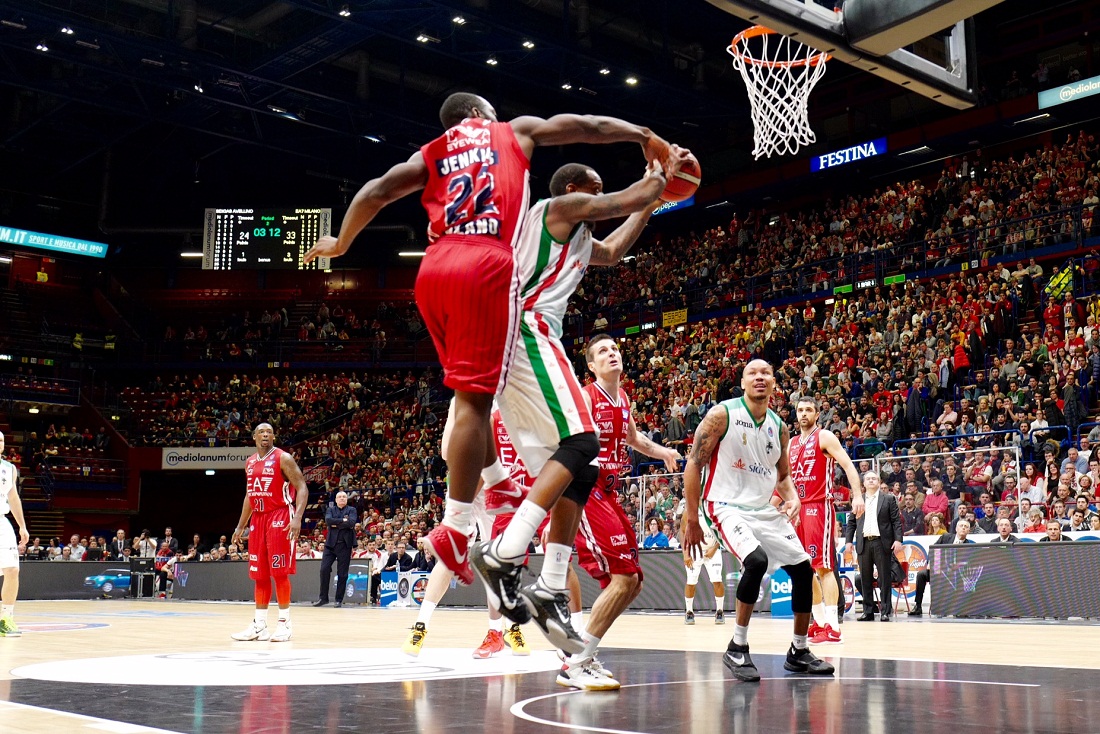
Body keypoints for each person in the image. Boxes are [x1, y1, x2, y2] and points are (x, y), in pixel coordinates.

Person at [304, 93, 672, 604]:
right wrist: (653, 160)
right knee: (536, 427)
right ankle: (471, 530)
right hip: (504, 296)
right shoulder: (530, 161)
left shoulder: (433, 152)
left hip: (437, 272)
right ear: (480, 114)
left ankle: (533, 563)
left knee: (550, 448)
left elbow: (377, 189)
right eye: (490, 111)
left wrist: (341, 243)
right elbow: (588, 128)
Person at [470, 154, 688, 654]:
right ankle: (503, 553)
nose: (600, 190)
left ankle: (548, 585)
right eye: (595, 184)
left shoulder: (580, 238)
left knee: (578, 466)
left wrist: (650, 207)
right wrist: (661, 174)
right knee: (584, 440)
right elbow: (620, 199)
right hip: (526, 330)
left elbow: (611, 251)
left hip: (514, 343)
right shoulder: (558, 207)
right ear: (575, 188)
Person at [682, 359, 834, 682]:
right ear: (743, 381)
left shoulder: (779, 427)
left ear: (774, 382)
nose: (760, 377)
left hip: (763, 509)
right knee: (756, 561)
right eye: (753, 373)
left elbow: (783, 478)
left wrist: (792, 497)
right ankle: (737, 646)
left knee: (804, 569)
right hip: (724, 505)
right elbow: (693, 463)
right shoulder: (722, 415)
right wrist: (690, 515)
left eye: (766, 372)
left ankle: (799, 650)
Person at [554, 333, 681, 690]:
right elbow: (558, 434)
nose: (611, 354)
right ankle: (575, 663)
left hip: (609, 493)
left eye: (614, 349)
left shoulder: (622, 397)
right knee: (624, 578)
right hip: (585, 490)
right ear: (591, 366)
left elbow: (634, 440)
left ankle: (582, 655)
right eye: (602, 352)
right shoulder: (584, 395)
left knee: (634, 582)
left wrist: (663, 453)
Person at [403, 402, 529, 660]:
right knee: (449, 557)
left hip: (498, 484)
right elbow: (447, 451)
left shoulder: (512, 396)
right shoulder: (462, 398)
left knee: (500, 559)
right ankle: (420, 626)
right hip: (468, 481)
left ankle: (505, 629)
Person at [788, 397, 864, 645]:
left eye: (808, 410)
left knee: (824, 567)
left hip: (819, 506)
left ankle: (833, 626)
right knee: (803, 570)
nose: (803, 414)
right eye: (800, 410)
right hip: (797, 511)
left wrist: (858, 495)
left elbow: (848, 465)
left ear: (817, 414)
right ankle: (819, 622)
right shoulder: (790, 443)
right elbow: (784, 483)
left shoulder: (825, 437)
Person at [230, 423, 308, 642]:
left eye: (270, 432)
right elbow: (249, 495)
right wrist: (240, 526)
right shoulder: (250, 462)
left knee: (279, 572)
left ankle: (285, 623)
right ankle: (259, 625)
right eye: (261, 432)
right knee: (259, 573)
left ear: (274, 436)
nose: (266, 435)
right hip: (258, 519)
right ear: (254, 436)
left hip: (279, 515)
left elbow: (302, 487)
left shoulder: (284, 458)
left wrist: (297, 517)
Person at [844, 472, 903, 622]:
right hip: (863, 543)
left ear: (879, 482)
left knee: (884, 578)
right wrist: (848, 541)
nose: (871, 480)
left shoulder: (888, 499)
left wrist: (898, 540)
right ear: (863, 483)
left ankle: (885, 611)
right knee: (864, 579)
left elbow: (896, 521)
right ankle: (868, 611)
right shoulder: (858, 500)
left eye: (874, 478)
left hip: (882, 543)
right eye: (868, 479)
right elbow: (851, 523)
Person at [910, 519, 975, 617]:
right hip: (939, 571)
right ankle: (918, 605)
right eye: (961, 526)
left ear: (968, 531)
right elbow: (933, 549)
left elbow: (968, 563)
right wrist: (931, 562)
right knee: (921, 575)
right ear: (956, 528)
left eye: (966, 527)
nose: (963, 528)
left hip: (956, 575)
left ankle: (959, 609)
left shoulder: (970, 546)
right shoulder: (946, 537)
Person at [1, 431, 30, 636]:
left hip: (2, 522)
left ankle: (5, 619)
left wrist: (22, 526)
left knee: (12, 570)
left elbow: (13, 497)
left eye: (1, 440)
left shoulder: (9, 468)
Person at [682, 507, 724, 626]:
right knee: (691, 581)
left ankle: (719, 611)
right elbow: (684, 532)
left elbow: (721, 532)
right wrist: (686, 553)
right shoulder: (689, 510)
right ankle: (689, 612)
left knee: (717, 580)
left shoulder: (714, 508)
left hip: (713, 549)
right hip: (695, 549)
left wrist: (714, 548)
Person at [314, 490, 357, 608]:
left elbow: (351, 522)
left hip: (345, 545)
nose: (342, 498)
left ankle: (338, 599)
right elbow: (328, 521)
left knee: (342, 574)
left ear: (346, 499)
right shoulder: (330, 509)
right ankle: (323, 598)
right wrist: (343, 521)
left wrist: (336, 523)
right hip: (330, 545)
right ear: (336, 500)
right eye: (340, 497)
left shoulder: (352, 510)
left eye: (344, 497)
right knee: (324, 569)